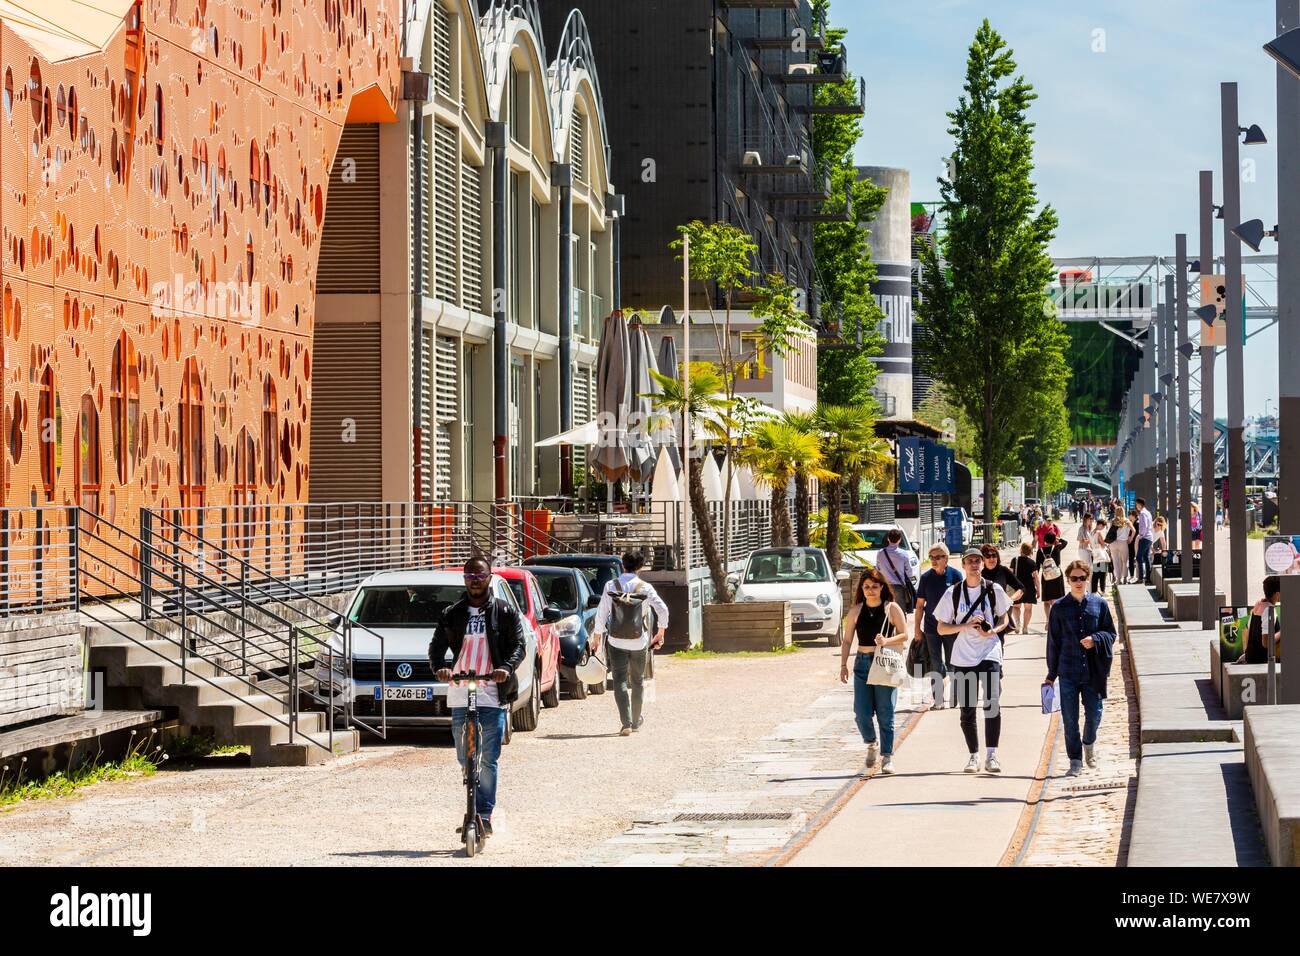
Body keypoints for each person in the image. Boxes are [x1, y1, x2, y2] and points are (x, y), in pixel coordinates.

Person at [430, 556, 527, 839]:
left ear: (489, 577)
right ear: (464, 580)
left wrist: (505, 668)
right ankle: (470, 781)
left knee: (488, 759)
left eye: (480, 576)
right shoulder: (452, 613)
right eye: (470, 577)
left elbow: (518, 645)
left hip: (492, 692)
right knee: (465, 755)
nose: (475, 581)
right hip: (462, 690)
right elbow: (436, 646)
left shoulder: (505, 612)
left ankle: (483, 814)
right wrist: (440, 668)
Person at [933, 547, 1012, 774]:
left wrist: (993, 630)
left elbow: (1005, 618)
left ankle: (992, 755)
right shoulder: (953, 593)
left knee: (992, 703)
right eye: (971, 561)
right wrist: (965, 626)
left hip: (989, 651)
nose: (975, 564)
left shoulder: (993, 589)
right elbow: (941, 627)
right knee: (967, 709)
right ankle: (973, 755)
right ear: (964, 565)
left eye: (978, 560)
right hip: (964, 656)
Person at [1045, 560, 1118, 776]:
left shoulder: (1099, 604)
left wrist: (1096, 639)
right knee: (1069, 719)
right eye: (1074, 578)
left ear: (1088, 579)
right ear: (1068, 580)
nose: (1078, 582)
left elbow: (1111, 634)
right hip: (1067, 671)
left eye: (1082, 578)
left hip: (1093, 671)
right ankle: (1075, 760)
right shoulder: (1058, 608)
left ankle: (1089, 743)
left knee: (1095, 713)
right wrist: (1051, 674)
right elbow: (1053, 642)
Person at [590, 550, 669, 735]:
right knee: (638, 680)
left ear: (623, 565)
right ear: (640, 567)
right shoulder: (645, 587)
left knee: (619, 680)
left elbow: (601, 613)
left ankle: (625, 722)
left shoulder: (611, 585)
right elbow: (663, 609)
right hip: (638, 641)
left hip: (616, 640)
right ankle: (635, 720)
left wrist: (597, 637)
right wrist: (661, 632)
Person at [840, 567, 910, 774]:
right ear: (861, 589)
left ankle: (887, 757)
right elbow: (846, 640)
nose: (871, 590)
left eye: (874, 587)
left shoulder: (892, 608)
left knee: (885, 713)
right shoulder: (856, 610)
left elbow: (905, 634)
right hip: (862, 663)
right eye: (867, 587)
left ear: (882, 588)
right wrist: (843, 665)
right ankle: (871, 743)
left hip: (885, 663)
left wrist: (886, 640)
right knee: (861, 713)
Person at [914, 543, 963, 709]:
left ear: (946, 558)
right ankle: (938, 700)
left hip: (951, 627)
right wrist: (916, 629)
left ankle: (955, 697)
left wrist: (962, 626)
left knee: (952, 663)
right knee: (936, 663)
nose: (934, 560)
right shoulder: (926, 578)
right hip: (931, 628)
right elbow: (920, 605)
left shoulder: (956, 576)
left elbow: (963, 602)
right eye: (932, 557)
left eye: (938, 557)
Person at [981, 543, 1023, 643]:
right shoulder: (980, 574)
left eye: (994, 555)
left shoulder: (1003, 571)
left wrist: (1010, 600)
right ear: (983, 559)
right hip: (984, 617)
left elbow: (1021, 588)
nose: (991, 559)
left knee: (999, 644)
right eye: (988, 556)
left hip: (1001, 616)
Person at [1236, 576, 1283, 665]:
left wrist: (1247, 654)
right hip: (1262, 661)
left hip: (1252, 657)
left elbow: (1249, 631)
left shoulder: (1258, 605)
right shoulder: (1269, 610)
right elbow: (1266, 643)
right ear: (1277, 594)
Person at [876, 528, 917, 613]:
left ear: (888, 539)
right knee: (900, 612)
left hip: (884, 587)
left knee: (885, 612)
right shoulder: (903, 554)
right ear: (899, 540)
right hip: (898, 587)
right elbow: (909, 573)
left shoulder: (880, 553)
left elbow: (878, 569)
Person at [1036, 531, 1067, 621]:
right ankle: (1056, 620)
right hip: (1057, 576)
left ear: (1045, 540)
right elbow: (1065, 542)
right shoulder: (1057, 548)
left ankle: (1048, 620)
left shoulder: (1040, 551)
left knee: (1046, 601)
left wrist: (1035, 581)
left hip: (1046, 577)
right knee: (1057, 600)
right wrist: (1057, 538)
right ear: (1054, 540)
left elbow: (1037, 567)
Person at [1010, 541, 1040, 635]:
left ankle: (1018, 623)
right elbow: (1036, 577)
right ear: (1030, 552)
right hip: (1029, 588)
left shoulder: (1015, 560)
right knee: (1028, 608)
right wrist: (1038, 590)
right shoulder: (1032, 563)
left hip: (1017, 587)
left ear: (1021, 550)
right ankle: (1025, 627)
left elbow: (1010, 574)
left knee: (1016, 606)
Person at [1134, 498, 1154, 584]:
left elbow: (1144, 525)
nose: (1136, 506)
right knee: (1146, 557)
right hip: (1149, 537)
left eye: (1136, 504)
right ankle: (1148, 579)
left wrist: (1141, 535)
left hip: (1145, 537)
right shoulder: (1148, 512)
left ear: (1139, 504)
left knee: (1139, 557)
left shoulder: (1142, 513)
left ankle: (1141, 578)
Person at [1090, 519, 1111, 594]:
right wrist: (1106, 545)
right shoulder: (1098, 532)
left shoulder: (1092, 532)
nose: (1102, 528)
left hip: (1095, 555)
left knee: (1095, 574)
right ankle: (1102, 590)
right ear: (1100, 525)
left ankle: (1094, 590)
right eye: (1103, 526)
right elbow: (1102, 543)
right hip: (1101, 555)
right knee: (1102, 574)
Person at [1108, 516, 1130, 586]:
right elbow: (1133, 530)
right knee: (1125, 561)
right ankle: (1125, 578)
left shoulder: (1113, 520)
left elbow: (1110, 532)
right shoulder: (1126, 521)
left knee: (1116, 561)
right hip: (1123, 542)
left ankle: (1118, 579)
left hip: (1114, 542)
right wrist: (1130, 538)